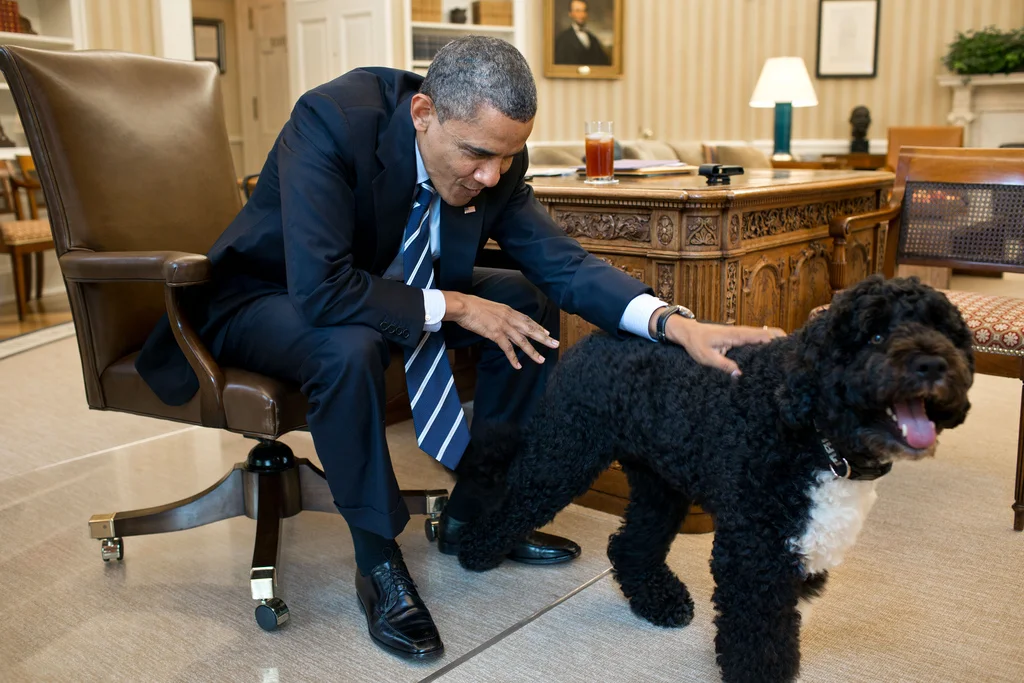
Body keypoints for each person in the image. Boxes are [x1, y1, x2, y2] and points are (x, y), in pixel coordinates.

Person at [135, 36, 781, 660]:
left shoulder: (495, 157)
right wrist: (461, 305)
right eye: (477, 154)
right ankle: (379, 563)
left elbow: (564, 264)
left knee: (526, 296)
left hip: (386, 284)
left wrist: (672, 322)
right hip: (264, 296)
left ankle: (479, 512)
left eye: (506, 157)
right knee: (349, 344)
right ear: (423, 114)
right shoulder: (331, 119)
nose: (490, 175)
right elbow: (322, 289)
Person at [554, 0, 611, 66]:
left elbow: (604, 64)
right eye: (578, 11)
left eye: (584, 11)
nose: (581, 15)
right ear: (570, 13)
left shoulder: (593, 39)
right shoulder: (562, 39)